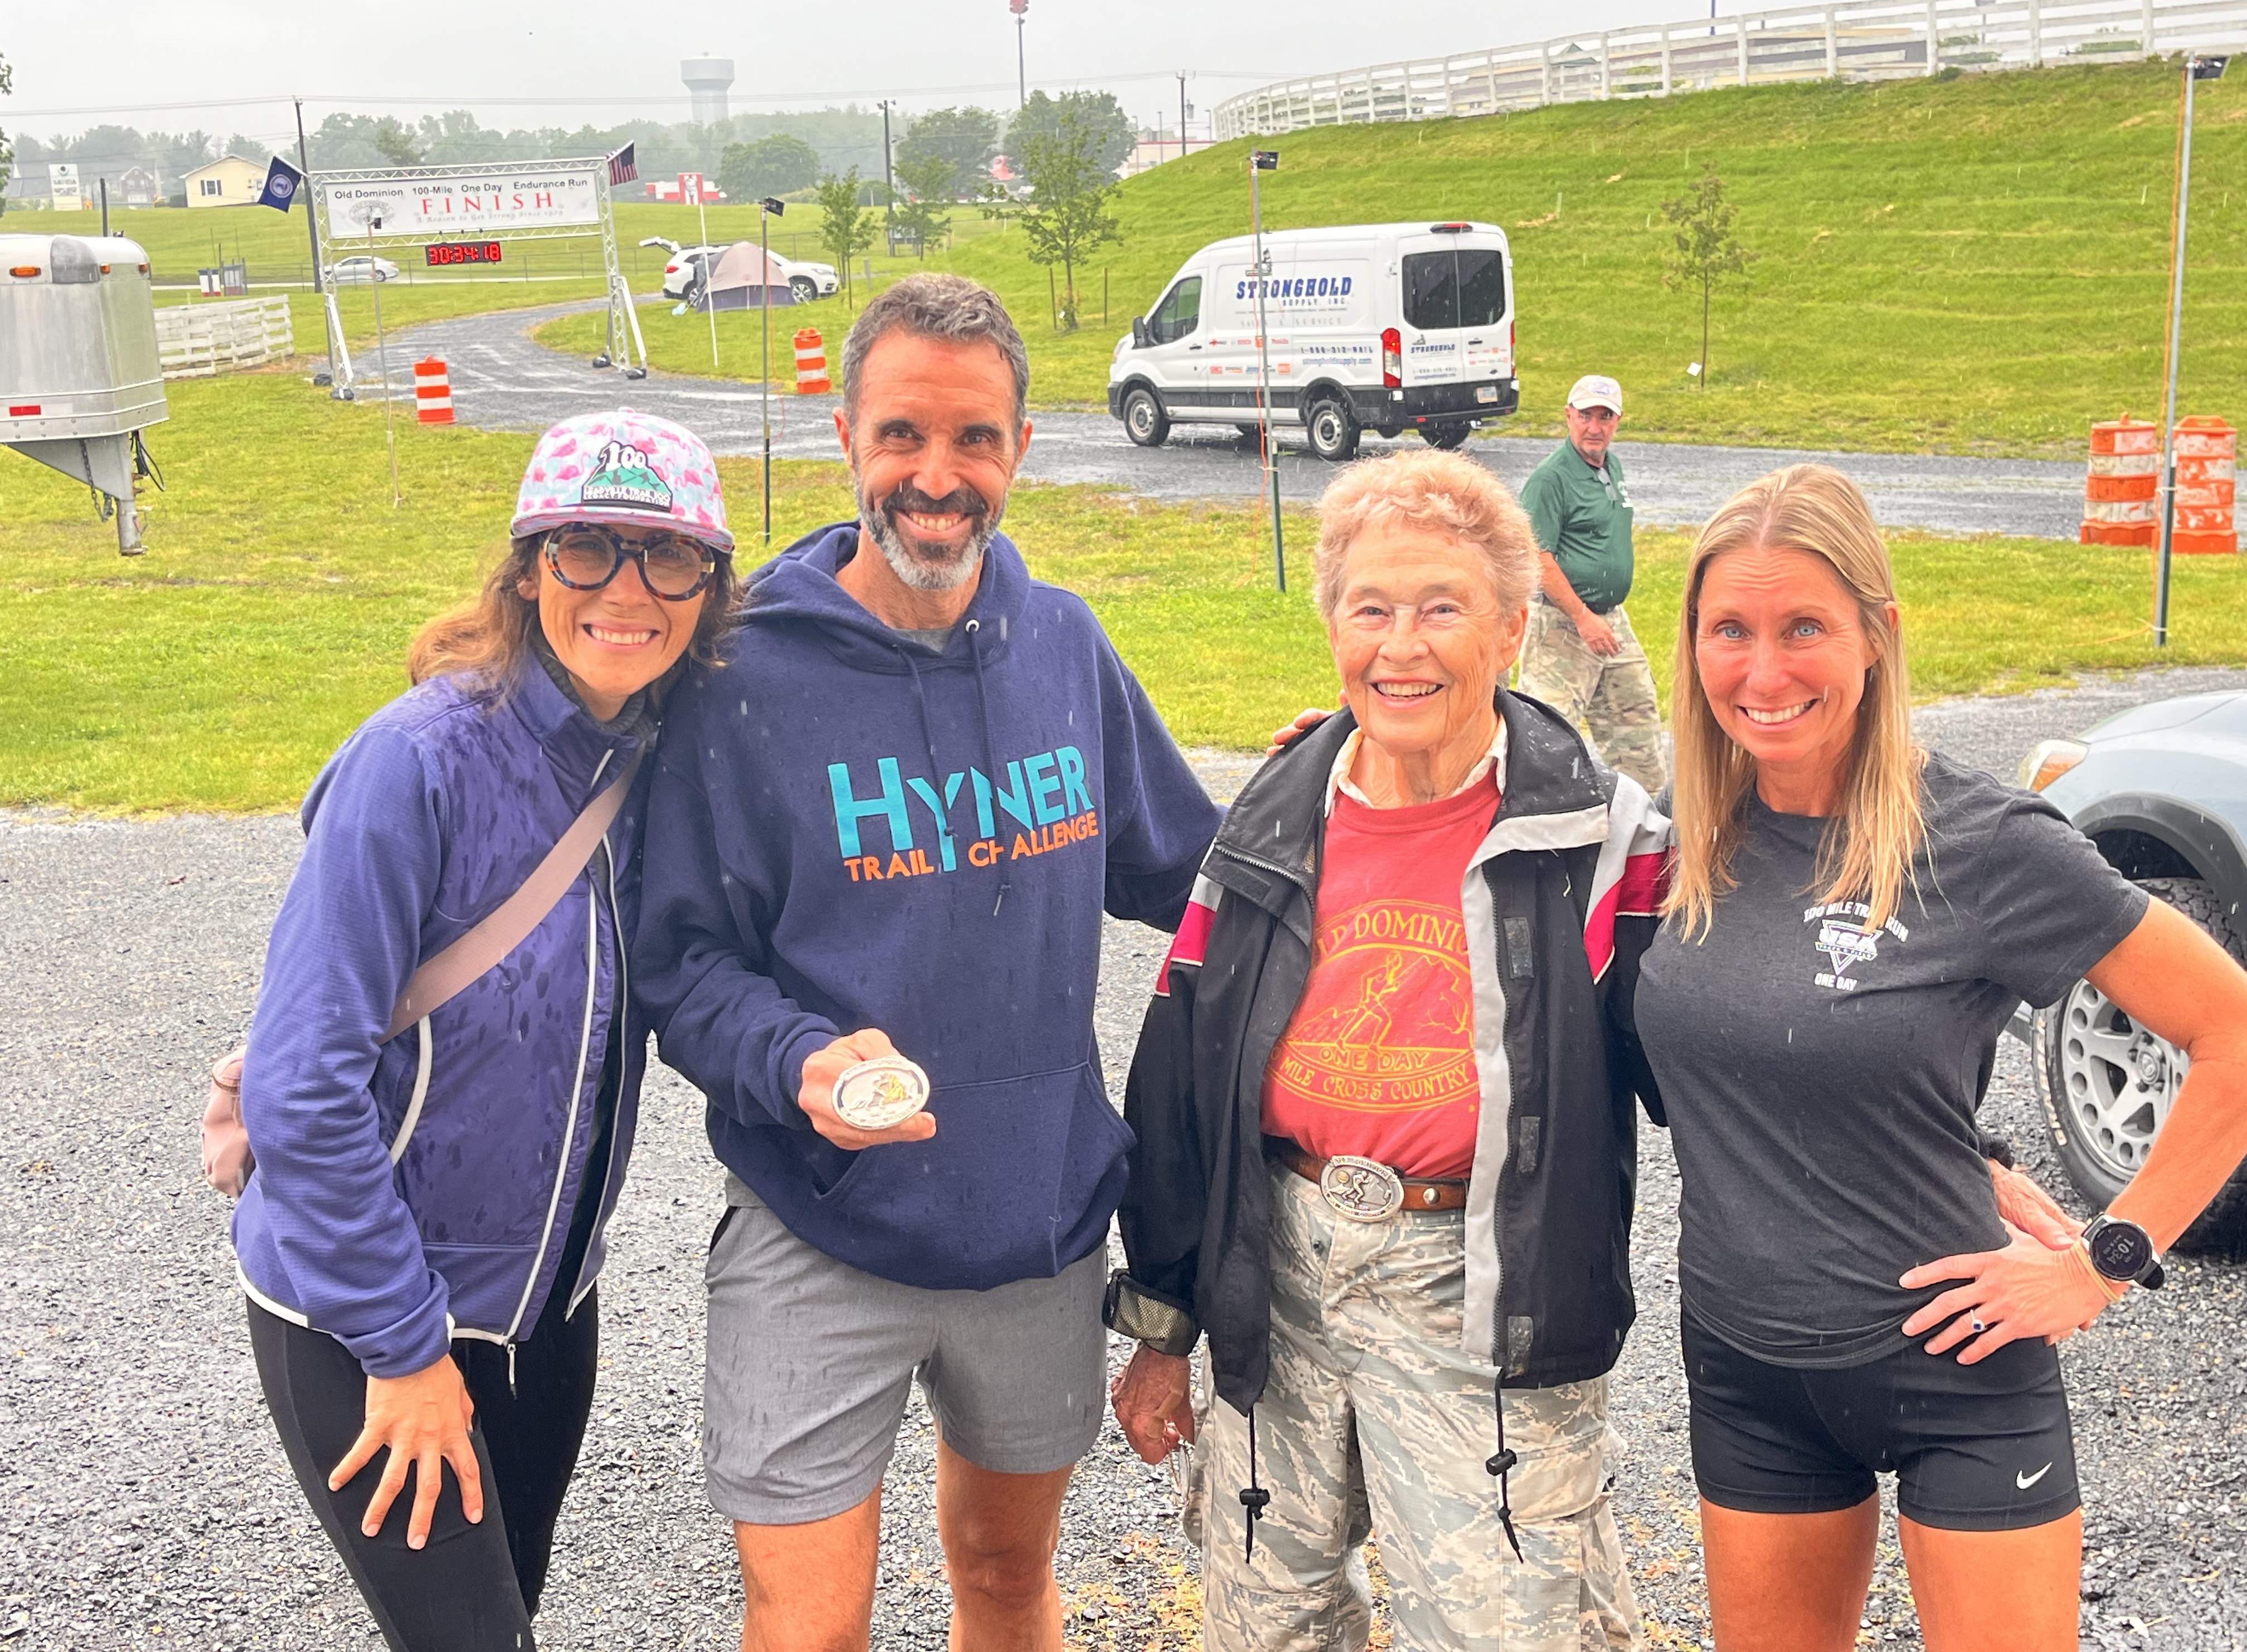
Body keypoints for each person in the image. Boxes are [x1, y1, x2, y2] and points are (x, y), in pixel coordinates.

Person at [631, 274, 1223, 1652]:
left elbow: (1190, 874)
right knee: (809, 1622)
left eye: (973, 440)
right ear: (845, 435)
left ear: (1021, 446)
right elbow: (681, 963)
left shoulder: (1064, 645)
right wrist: (796, 1061)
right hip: (819, 1219)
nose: (936, 479)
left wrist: (1352, 785)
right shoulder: (739, 676)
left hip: (1033, 1230)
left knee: (1006, 1581)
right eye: (902, 436)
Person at [1631, 464, 2247, 1652]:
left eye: (1803, 626)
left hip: (1959, 1370)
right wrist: (1342, 755)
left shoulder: (1984, 842)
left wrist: (2109, 1259)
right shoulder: (1682, 838)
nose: (1763, 673)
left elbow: (2233, 1030)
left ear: (1878, 635)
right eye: (1730, 631)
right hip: (1747, 1368)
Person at [1105, 449, 1671, 1652]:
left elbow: (1717, 1060)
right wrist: (1164, 1330)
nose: (1400, 646)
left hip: (1487, 1290)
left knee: (1512, 1629)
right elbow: (1181, 1081)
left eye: (1441, 609)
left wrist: (1925, 1153)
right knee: (1270, 1622)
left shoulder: (1602, 842)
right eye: (1371, 609)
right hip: (1283, 1269)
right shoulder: (1270, 821)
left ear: (1513, 630)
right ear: (1331, 624)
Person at [228, 411, 740, 1651]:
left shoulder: (659, 755)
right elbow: (300, 1084)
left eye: (668, 556)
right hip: (370, 1317)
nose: (628, 590)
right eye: (586, 550)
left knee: (505, 1610)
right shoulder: (418, 764)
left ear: (711, 588)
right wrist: (403, 1353)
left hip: (547, 1314)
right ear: (525, 568)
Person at [1517, 374, 1666, 796]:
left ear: (1618, 422)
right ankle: (1540, 826)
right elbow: (1537, 556)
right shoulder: (1551, 479)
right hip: (1563, 624)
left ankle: (1649, 824)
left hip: (1612, 619)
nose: (1594, 427)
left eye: (1605, 417)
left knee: (1635, 719)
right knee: (1548, 735)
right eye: (1585, 416)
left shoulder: (1610, 467)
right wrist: (1583, 617)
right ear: (1569, 416)